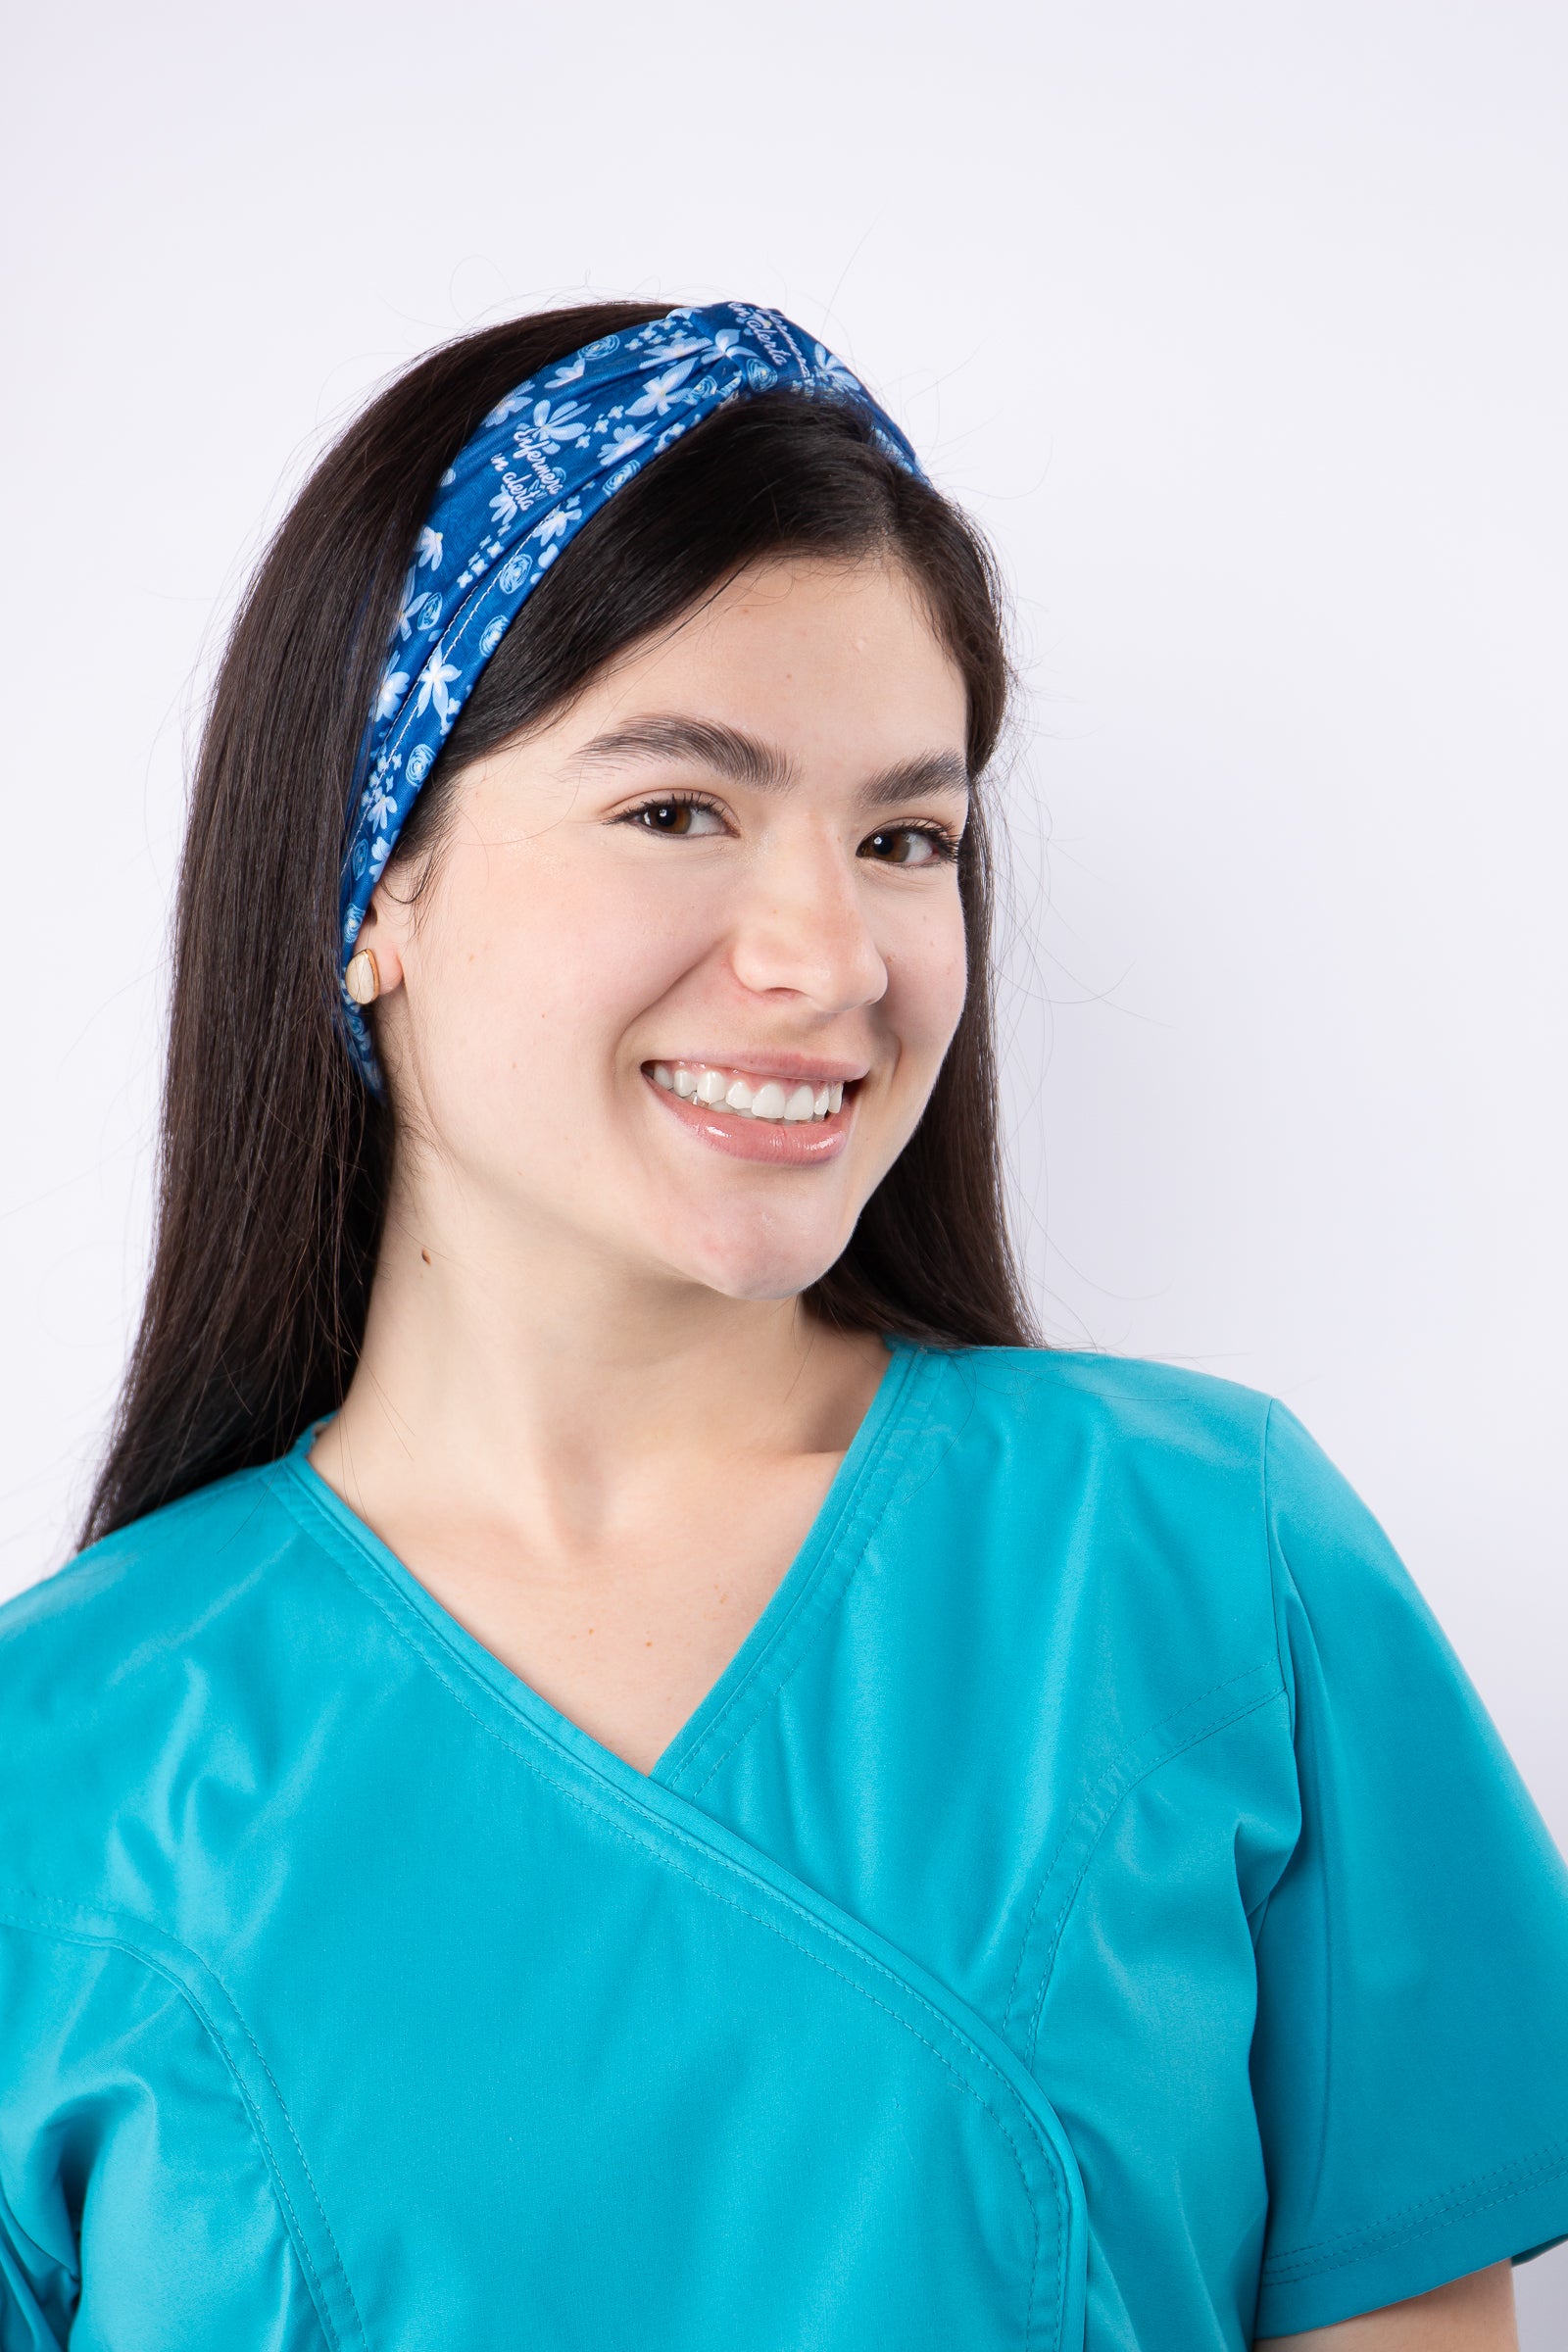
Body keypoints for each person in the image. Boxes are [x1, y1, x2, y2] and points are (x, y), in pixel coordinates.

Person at [1, 299, 1564, 2352]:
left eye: (905, 840)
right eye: (679, 809)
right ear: (370, 883)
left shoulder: (1200, 1559)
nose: (831, 960)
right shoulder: (60, 1759)